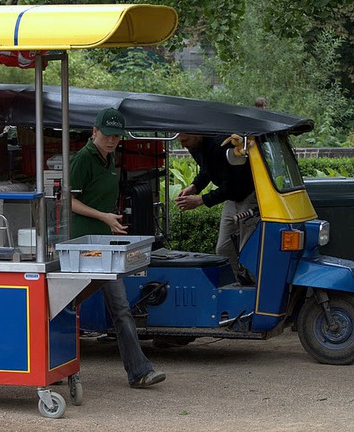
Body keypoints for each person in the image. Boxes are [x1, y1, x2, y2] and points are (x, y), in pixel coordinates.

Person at [69, 108, 166, 389]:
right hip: (81, 247)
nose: (112, 141)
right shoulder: (83, 160)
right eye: (108, 135)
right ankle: (56, 366)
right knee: (67, 308)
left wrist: (108, 222)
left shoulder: (109, 158)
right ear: (95, 131)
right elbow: (68, 202)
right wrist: (104, 217)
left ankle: (139, 372)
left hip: (103, 245)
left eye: (117, 136)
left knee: (121, 308)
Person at [175, 133, 258, 276]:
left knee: (247, 248)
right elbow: (207, 169)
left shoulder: (223, 145)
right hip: (232, 198)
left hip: (248, 193)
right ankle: (233, 282)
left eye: (185, 140)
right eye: (180, 141)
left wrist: (201, 200)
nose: (183, 145)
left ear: (197, 135)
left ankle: (254, 286)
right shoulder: (195, 146)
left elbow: (231, 186)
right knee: (224, 248)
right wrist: (194, 187)